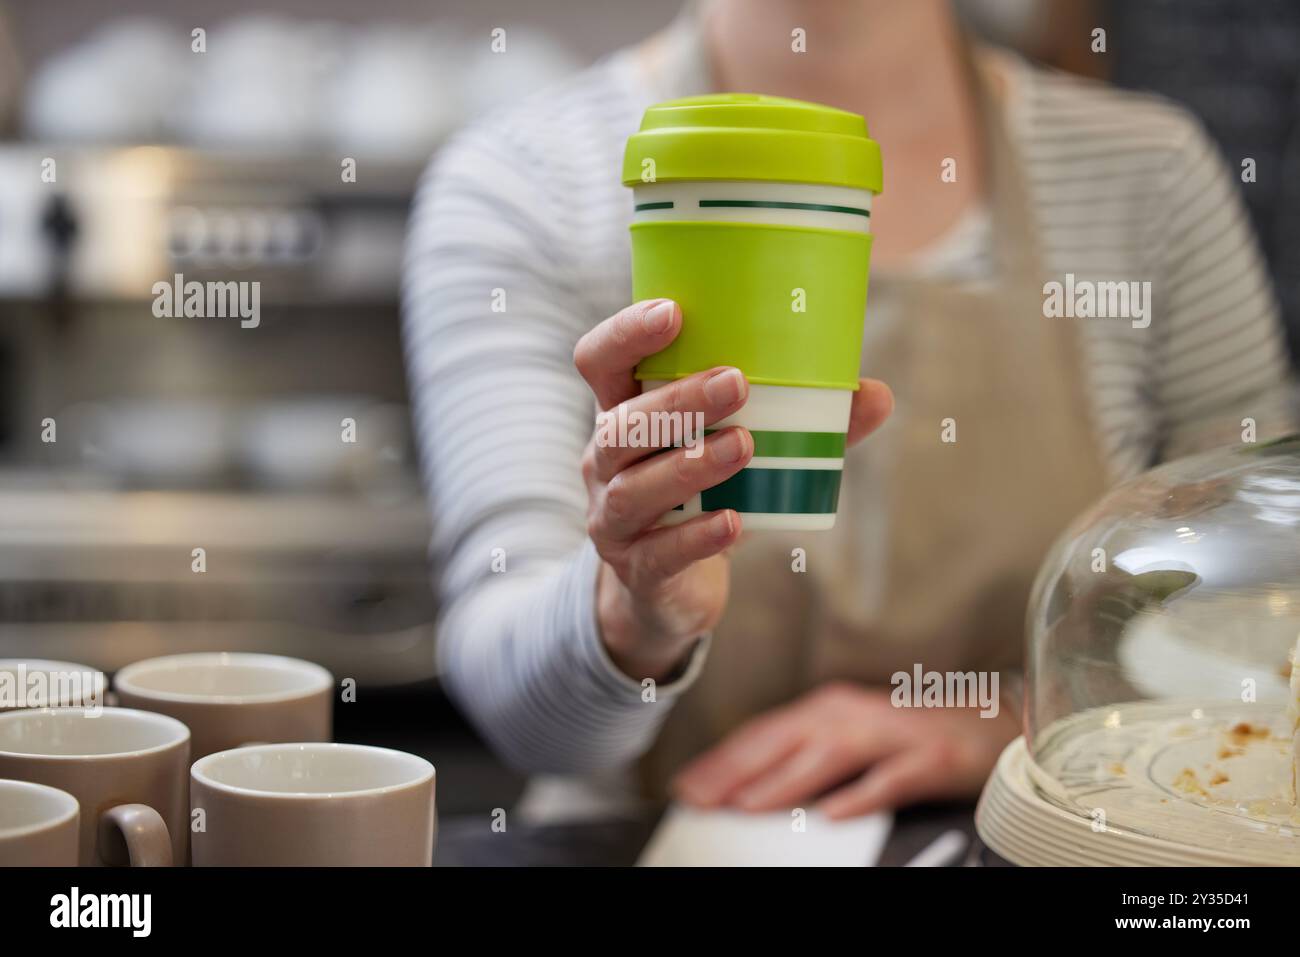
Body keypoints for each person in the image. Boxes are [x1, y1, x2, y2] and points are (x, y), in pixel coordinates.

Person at [401, 0, 1295, 819]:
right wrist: (629, 618)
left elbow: (1268, 612)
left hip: (1056, 822)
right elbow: (517, 712)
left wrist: (1010, 719)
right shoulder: (525, 183)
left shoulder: (1148, 177)